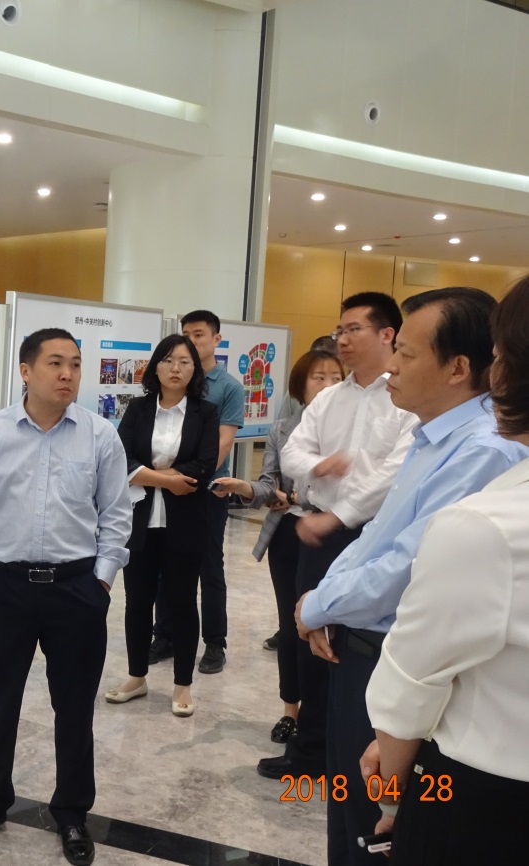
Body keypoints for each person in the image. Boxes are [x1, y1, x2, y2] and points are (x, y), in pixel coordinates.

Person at [294, 287, 528, 866]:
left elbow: (407, 566)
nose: (391, 367)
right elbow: (376, 537)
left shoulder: (483, 451)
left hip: (397, 662)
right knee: (350, 819)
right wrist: (323, 600)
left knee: (374, 830)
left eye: (407, 353)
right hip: (363, 645)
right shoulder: (432, 436)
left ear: (459, 368)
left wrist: (317, 606)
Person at [0, 328, 131, 866]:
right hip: (6, 587)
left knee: (73, 707)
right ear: (26, 371)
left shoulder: (100, 435)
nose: (67, 373)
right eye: (54, 363)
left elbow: (117, 513)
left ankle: (72, 812)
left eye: (74, 363)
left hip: (76, 589)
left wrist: (102, 580)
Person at [361, 276, 529, 864]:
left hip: (486, 793)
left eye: (499, 356)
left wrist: (391, 789)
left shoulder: (488, 523)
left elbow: (413, 680)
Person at [257, 292, 417, 785]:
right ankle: (310, 749)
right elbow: (293, 453)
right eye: (339, 330)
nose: (341, 339)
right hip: (318, 535)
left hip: (376, 537)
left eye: (353, 329)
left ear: (387, 334)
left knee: (362, 648)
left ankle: (358, 756)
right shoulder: (329, 398)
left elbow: (395, 476)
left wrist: (339, 514)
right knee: (311, 638)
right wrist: (319, 467)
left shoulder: (405, 399)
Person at [212, 349, 343, 742]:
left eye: (336, 377)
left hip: (334, 535)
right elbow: (270, 486)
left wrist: (296, 498)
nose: (328, 385)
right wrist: (244, 487)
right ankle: (291, 711)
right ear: (300, 386)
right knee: (292, 625)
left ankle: (325, 718)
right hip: (288, 535)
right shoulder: (283, 429)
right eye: (318, 377)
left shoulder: (352, 431)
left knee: (328, 625)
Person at [104, 335, 218, 716]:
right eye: (168, 360)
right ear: (155, 366)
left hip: (185, 523)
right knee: (137, 601)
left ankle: (183, 684)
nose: (175, 368)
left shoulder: (205, 412)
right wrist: (165, 480)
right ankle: (136, 676)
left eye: (184, 361)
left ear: (194, 370)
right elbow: (121, 457)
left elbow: (203, 466)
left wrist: (151, 475)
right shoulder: (138, 408)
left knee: (182, 602)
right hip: (139, 521)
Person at [150, 310, 244, 675]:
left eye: (199, 334)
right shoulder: (176, 383)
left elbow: (222, 444)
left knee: (209, 566)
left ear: (216, 339)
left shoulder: (228, 387)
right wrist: (164, 480)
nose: (192, 340)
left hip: (207, 491)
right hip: (166, 488)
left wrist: (183, 476)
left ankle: (215, 642)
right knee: (164, 563)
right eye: (186, 334)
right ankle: (165, 636)